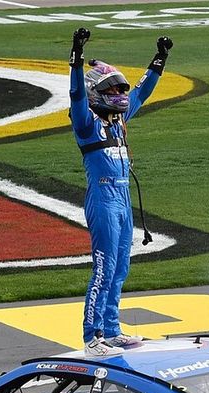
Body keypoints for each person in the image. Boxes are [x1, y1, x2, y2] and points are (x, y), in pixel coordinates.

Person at [68, 27, 173, 357]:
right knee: (103, 266)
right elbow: (76, 96)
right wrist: (76, 58)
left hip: (123, 200)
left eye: (119, 88)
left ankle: (112, 330)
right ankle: (92, 336)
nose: (119, 93)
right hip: (102, 201)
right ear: (97, 93)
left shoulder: (119, 119)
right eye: (112, 88)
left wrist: (160, 59)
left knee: (120, 268)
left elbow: (143, 91)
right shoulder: (86, 123)